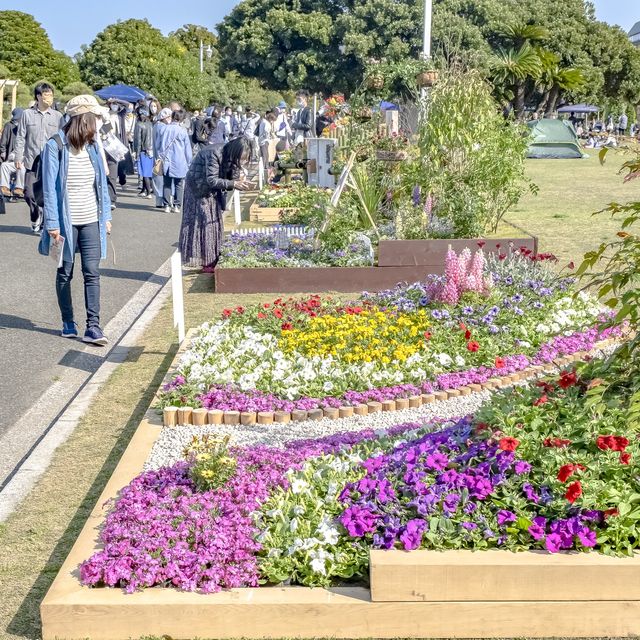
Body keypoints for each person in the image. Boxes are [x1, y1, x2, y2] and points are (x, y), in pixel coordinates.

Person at [39, 95, 112, 346]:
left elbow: (101, 184)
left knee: (92, 273)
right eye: (96, 118)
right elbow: (49, 189)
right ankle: (68, 321)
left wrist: (106, 217)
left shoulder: (93, 146)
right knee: (65, 272)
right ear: (84, 119)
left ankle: (94, 326)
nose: (99, 122)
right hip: (65, 223)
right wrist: (52, 224)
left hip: (91, 219)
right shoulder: (55, 146)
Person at [179, 137, 253, 271]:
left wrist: (240, 183)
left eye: (245, 158)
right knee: (202, 223)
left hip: (212, 190)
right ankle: (206, 261)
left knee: (214, 222)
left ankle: (212, 257)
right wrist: (234, 183)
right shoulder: (213, 153)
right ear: (235, 152)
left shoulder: (232, 157)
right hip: (198, 187)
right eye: (242, 158)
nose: (243, 161)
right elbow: (212, 180)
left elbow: (233, 177)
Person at [14, 82, 64, 233]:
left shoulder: (58, 116)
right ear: (38, 96)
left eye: (51, 94)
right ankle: (36, 215)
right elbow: (21, 137)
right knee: (29, 193)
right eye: (46, 94)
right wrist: (18, 156)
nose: (49, 97)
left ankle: (45, 223)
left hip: (51, 161)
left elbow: (62, 138)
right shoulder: (27, 114)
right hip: (31, 160)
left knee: (49, 193)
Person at [156, 109, 192, 213]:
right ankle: (177, 205)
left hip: (166, 160)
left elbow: (158, 145)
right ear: (181, 119)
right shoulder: (182, 131)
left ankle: (167, 205)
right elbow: (187, 150)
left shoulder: (164, 129)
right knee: (179, 184)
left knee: (166, 183)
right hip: (179, 161)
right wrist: (189, 162)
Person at [0, 107, 26, 199]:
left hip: (25, 159)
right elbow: (3, 142)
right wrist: (3, 153)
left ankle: (19, 188)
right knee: (4, 166)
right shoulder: (9, 125)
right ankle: (4, 188)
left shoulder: (27, 128)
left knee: (21, 168)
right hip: (13, 155)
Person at [133, 107, 154, 198]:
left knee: (144, 172)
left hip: (143, 150)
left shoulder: (139, 124)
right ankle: (144, 190)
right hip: (151, 150)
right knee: (149, 171)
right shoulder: (151, 124)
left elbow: (138, 140)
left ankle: (148, 192)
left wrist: (136, 153)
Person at [258, 110, 277, 181]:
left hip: (261, 141)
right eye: (273, 120)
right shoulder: (266, 123)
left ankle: (264, 170)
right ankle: (265, 172)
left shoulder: (263, 121)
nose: (273, 122)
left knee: (264, 156)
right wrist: (270, 137)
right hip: (264, 141)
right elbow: (266, 132)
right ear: (270, 119)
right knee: (265, 156)